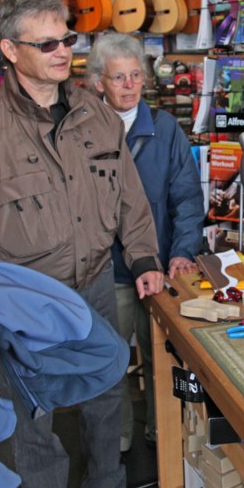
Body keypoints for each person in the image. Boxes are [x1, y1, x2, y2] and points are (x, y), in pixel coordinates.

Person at [0, 0, 163, 488]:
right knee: (30, 419)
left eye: (67, 38)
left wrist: (145, 258)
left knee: (107, 393)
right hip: (21, 299)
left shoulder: (97, 114)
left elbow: (130, 195)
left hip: (95, 283)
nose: (63, 51)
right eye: (47, 43)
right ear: (11, 50)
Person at [88, 33, 204, 451]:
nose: (130, 85)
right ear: (99, 81)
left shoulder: (166, 128)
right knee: (110, 362)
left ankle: (165, 438)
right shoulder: (82, 131)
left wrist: (182, 252)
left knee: (164, 359)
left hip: (160, 268)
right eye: (119, 77)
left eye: (136, 75)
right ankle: (114, 443)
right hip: (108, 273)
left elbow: (187, 196)